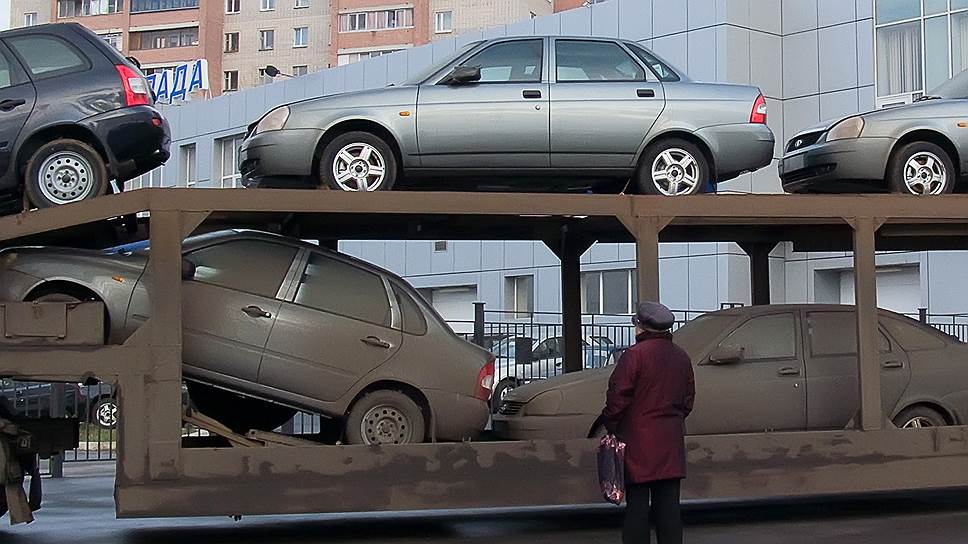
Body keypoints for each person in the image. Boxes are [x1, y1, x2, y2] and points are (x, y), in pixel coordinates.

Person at [602, 302, 695, 544]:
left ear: (641, 327)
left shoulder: (634, 356)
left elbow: (618, 397)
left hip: (638, 441)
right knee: (669, 507)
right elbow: (687, 400)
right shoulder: (681, 356)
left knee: (637, 506)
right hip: (670, 441)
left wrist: (612, 425)